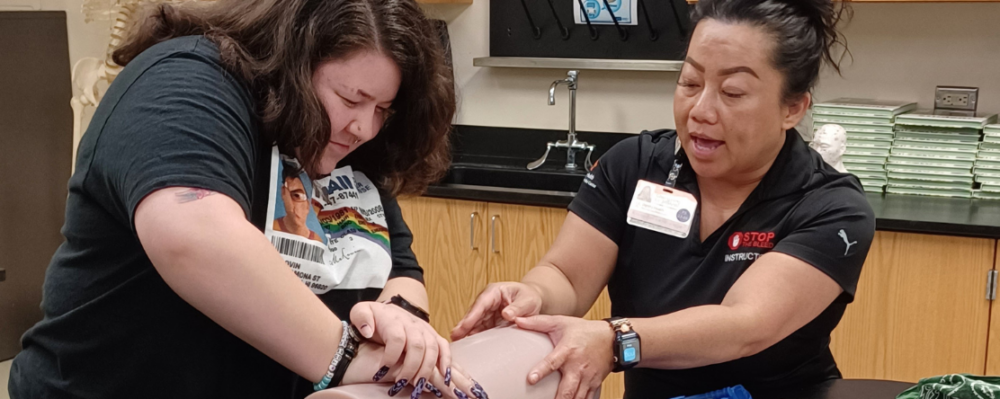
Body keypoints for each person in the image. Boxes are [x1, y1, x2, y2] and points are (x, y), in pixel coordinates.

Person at [8, 0, 485, 398]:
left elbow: (399, 268)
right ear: (296, 63)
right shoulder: (187, 81)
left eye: (382, 109)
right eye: (350, 98)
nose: (365, 127)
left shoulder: (346, 145)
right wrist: (346, 356)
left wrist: (401, 325)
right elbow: (192, 236)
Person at [452, 1, 873, 398]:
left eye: (733, 92)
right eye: (690, 82)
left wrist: (617, 341)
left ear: (793, 108)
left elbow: (744, 325)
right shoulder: (633, 166)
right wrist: (532, 295)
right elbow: (566, 275)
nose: (701, 110)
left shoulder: (831, 207)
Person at [275, 165, 325, 243]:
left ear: (308, 205)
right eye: (295, 195)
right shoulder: (272, 227)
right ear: (283, 192)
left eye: (299, 196)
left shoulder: (317, 240)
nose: (295, 207)